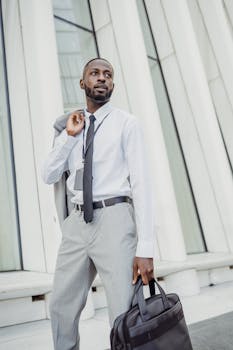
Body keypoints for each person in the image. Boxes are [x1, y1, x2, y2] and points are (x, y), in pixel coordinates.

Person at [42, 57, 155, 350]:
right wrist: (69, 137)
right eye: (94, 73)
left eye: (107, 74)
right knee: (60, 308)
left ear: (113, 85)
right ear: (83, 83)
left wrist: (146, 248)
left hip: (115, 218)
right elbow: (49, 174)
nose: (102, 78)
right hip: (77, 224)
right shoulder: (70, 127)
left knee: (123, 313)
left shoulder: (126, 124)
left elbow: (142, 185)